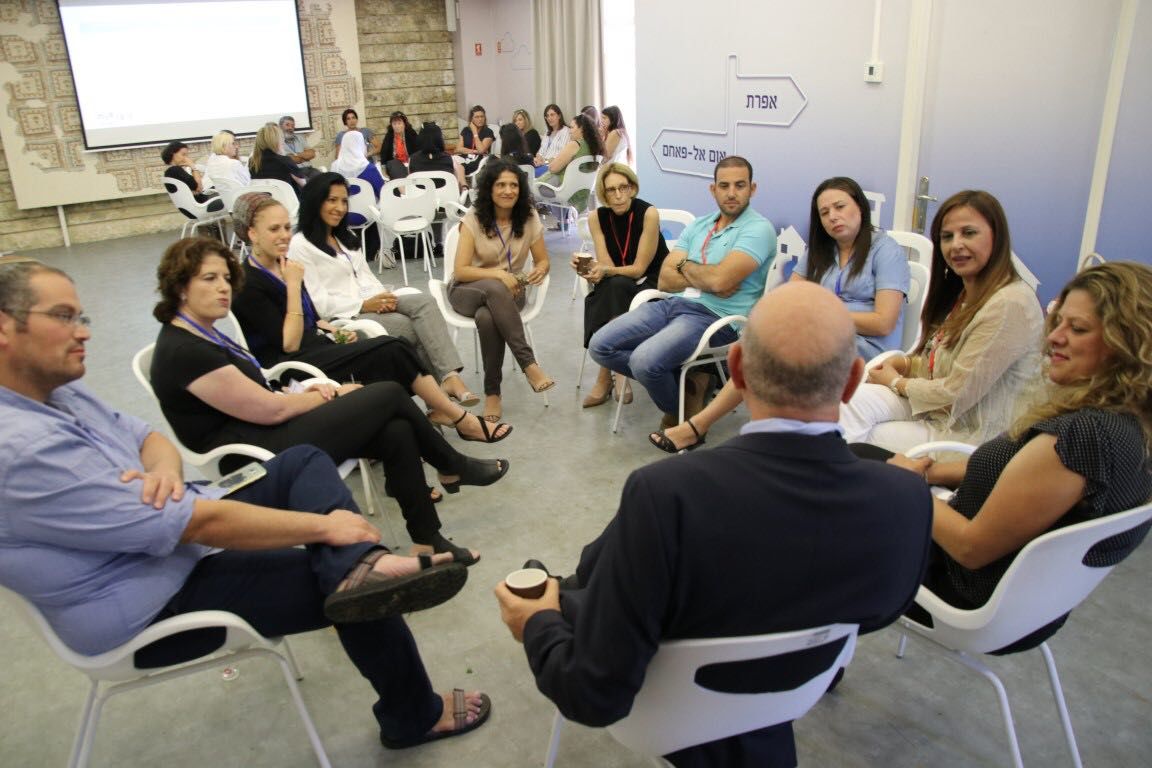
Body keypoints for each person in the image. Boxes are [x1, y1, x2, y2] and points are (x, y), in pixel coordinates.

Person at [0, 261, 492, 750]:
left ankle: (359, 565)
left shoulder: (55, 390)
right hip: (150, 597)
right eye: (64, 316)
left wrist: (163, 473)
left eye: (81, 317)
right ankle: (412, 714)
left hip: (180, 528)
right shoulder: (22, 448)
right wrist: (325, 529)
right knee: (363, 591)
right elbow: (193, 525)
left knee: (304, 465)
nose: (83, 331)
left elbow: (147, 436)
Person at [496, 281, 933, 768]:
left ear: (737, 368)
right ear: (853, 381)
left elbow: (593, 694)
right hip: (792, 693)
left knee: (581, 581)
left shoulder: (668, 493)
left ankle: (565, 593)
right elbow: (873, 616)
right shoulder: (907, 499)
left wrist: (537, 623)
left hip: (666, 713)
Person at [148, 238, 511, 564]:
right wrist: (333, 394)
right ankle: (451, 463)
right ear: (180, 286)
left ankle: (427, 539)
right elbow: (270, 411)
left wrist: (302, 393)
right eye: (209, 278)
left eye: (226, 278)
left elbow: (258, 395)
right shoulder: (185, 351)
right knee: (387, 392)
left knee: (396, 430)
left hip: (264, 431)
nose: (223, 287)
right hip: (252, 455)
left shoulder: (203, 334)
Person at [876, 262, 1152, 645]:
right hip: (1031, 604)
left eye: (1078, 329)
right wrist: (932, 473)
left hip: (955, 590)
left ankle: (813, 651)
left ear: (1128, 344)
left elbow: (970, 548)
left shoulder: (1084, 437)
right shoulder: (1130, 426)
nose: (1054, 337)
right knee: (862, 459)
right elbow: (1020, 474)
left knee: (830, 494)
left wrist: (911, 486)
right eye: (1058, 322)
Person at [649, 176, 911, 452]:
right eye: (824, 212)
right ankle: (703, 427)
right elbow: (791, 297)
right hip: (817, 334)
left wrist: (824, 311)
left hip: (865, 346)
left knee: (778, 358)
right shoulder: (821, 250)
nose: (833, 216)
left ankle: (716, 432)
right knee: (758, 348)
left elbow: (883, 323)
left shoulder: (885, 251)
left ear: (860, 207)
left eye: (840, 207)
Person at [839, 190, 1045, 451]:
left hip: (970, 433)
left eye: (968, 233)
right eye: (947, 237)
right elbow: (941, 364)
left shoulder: (1009, 303)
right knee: (846, 406)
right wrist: (906, 364)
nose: (956, 244)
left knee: (865, 438)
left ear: (997, 237)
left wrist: (896, 382)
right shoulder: (964, 293)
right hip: (934, 409)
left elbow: (956, 395)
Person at [589, 157, 776, 428]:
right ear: (713, 189)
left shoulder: (759, 229)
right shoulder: (700, 224)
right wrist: (705, 276)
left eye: (740, 185)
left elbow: (720, 280)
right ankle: (687, 393)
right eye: (724, 186)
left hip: (715, 317)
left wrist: (686, 268)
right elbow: (665, 280)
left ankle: (682, 411)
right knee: (600, 345)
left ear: (752, 188)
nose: (731, 193)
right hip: (672, 303)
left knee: (644, 361)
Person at [285, 174, 493, 419]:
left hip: (372, 302)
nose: (339, 208)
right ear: (315, 201)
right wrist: (364, 304)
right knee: (412, 329)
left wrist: (382, 298)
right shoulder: (300, 245)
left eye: (344, 201)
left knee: (425, 302)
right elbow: (318, 303)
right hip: (346, 316)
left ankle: (450, 378)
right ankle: (439, 402)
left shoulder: (343, 237)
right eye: (332, 200)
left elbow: (366, 277)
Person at [448, 158, 555, 423]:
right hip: (467, 290)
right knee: (494, 289)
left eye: (513, 185)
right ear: (489, 188)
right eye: (501, 185)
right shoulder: (473, 219)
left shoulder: (528, 217)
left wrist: (541, 269)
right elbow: (460, 270)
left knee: (487, 317)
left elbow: (543, 260)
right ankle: (529, 364)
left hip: (510, 293)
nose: (508, 191)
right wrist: (497, 274)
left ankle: (492, 393)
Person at [576, 162, 669, 408]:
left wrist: (605, 271)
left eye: (623, 188)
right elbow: (606, 266)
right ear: (603, 194)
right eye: (611, 190)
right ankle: (615, 373)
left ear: (632, 188)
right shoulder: (596, 218)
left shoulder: (648, 213)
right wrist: (590, 269)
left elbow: (639, 268)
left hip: (651, 282)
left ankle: (606, 375)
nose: (618, 195)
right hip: (617, 284)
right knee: (612, 287)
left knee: (611, 289)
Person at [536, 112, 603, 212]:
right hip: (583, 190)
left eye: (571, 128)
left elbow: (553, 168)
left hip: (563, 189)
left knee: (530, 188)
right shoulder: (595, 147)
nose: (569, 131)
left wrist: (551, 162)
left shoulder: (574, 144)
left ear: (581, 129)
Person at [248, 123, 307, 196]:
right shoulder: (285, 161)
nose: (283, 141)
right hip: (288, 201)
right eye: (281, 138)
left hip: (263, 201)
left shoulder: (252, 162)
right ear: (275, 141)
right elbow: (304, 185)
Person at [409, 122, 468, 190]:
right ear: (439, 138)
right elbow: (456, 184)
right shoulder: (449, 159)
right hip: (446, 196)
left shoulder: (412, 159)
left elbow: (411, 183)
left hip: (420, 196)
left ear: (420, 138)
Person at [454, 105, 494, 176]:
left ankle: (462, 182)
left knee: (458, 166)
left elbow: (481, 150)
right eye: (477, 117)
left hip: (479, 161)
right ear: (471, 119)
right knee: (451, 161)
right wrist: (474, 151)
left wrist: (475, 132)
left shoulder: (488, 132)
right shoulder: (466, 130)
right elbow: (458, 149)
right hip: (465, 157)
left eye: (482, 116)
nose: (480, 119)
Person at [380, 110, 421, 179]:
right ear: (391, 125)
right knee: (392, 163)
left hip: (411, 164)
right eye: (394, 124)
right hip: (395, 166)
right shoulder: (389, 135)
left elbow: (418, 151)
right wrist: (383, 170)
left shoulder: (411, 134)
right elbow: (384, 153)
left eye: (399, 123)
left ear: (404, 124)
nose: (397, 126)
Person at [533, 103, 570, 177]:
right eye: (547, 116)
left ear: (559, 116)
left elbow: (561, 155)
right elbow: (541, 151)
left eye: (552, 115)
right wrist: (538, 158)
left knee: (530, 174)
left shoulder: (566, 131)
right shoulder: (547, 133)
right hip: (542, 164)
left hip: (554, 167)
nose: (549, 118)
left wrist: (545, 161)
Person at [279, 115, 321, 180]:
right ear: (280, 126)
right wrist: (304, 156)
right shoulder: (278, 141)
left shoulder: (300, 137)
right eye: (287, 125)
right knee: (308, 183)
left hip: (309, 169)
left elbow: (312, 154)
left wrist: (295, 155)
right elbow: (290, 160)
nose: (290, 128)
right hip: (293, 172)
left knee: (322, 179)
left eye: (292, 126)